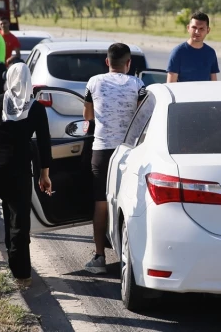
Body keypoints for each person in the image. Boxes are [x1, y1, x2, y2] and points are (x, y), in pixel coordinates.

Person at [0, 62, 53, 288]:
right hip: (16, 169)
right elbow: (45, 143)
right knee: (20, 219)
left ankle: (12, 257)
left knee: (10, 207)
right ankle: (21, 274)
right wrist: (44, 175)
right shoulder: (36, 108)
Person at [82, 43, 146, 274]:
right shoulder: (137, 84)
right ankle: (130, 256)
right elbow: (142, 117)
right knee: (128, 202)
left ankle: (99, 257)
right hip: (129, 152)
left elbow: (87, 116)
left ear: (107, 62)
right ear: (128, 64)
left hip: (102, 151)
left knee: (101, 203)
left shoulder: (94, 82)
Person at [166, 11, 220, 83]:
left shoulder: (210, 53)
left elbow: (214, 83)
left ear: (208, 30)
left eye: (201, 29)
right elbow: (171, 84)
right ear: (188, 28)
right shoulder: (178, 52)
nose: (197, 32)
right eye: (194, 27)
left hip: (205, 94)